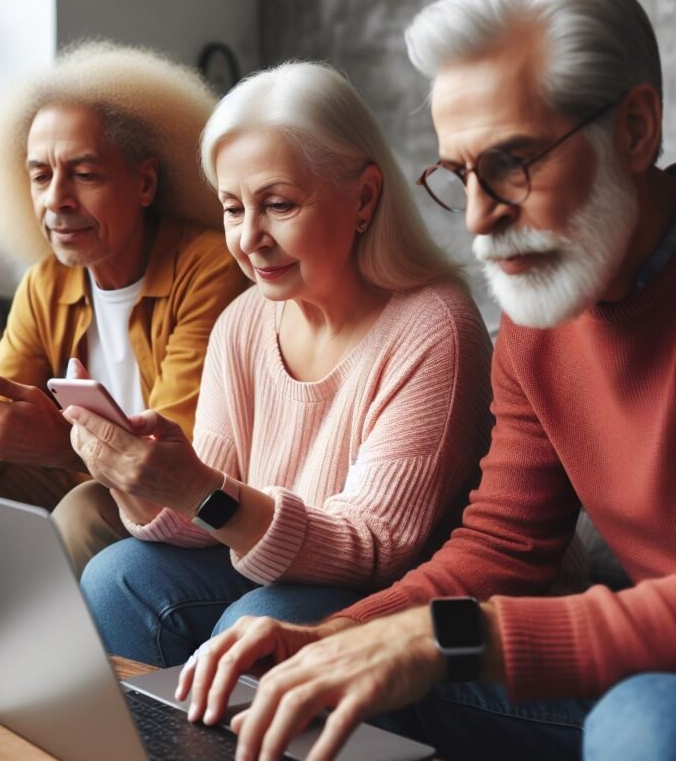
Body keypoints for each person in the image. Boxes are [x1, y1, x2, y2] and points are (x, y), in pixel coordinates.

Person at [175, 0, 676, 761]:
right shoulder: (540, 316)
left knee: (645, 721)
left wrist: (446, 638)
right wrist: (340, 635)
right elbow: (506, 545)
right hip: (637, 644)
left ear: (637, 129)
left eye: (511, 164)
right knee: (308, 677)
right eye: (460, 173)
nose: (476, 217)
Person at [66, 61, 494, 670]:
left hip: (402, 602)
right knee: (117, 577)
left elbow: (378, 548)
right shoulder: (243, 322)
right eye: (233, 208)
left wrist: (199, 490)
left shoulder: (434, 325)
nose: (249, 238)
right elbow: (212, 510)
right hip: (283, 569)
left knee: (253, 621)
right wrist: (144, 481)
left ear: (364, 197)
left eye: (278, 205)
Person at [0, 41, 248, 638]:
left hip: (180, 504)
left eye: (84, 174)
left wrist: (55, 446)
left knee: (85, 509)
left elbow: (178, 457)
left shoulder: (210, 267)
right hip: (88, 473)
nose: (56, 201)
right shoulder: (46, 281)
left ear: (145, 183)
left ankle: (67, 693)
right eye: (40, 175)